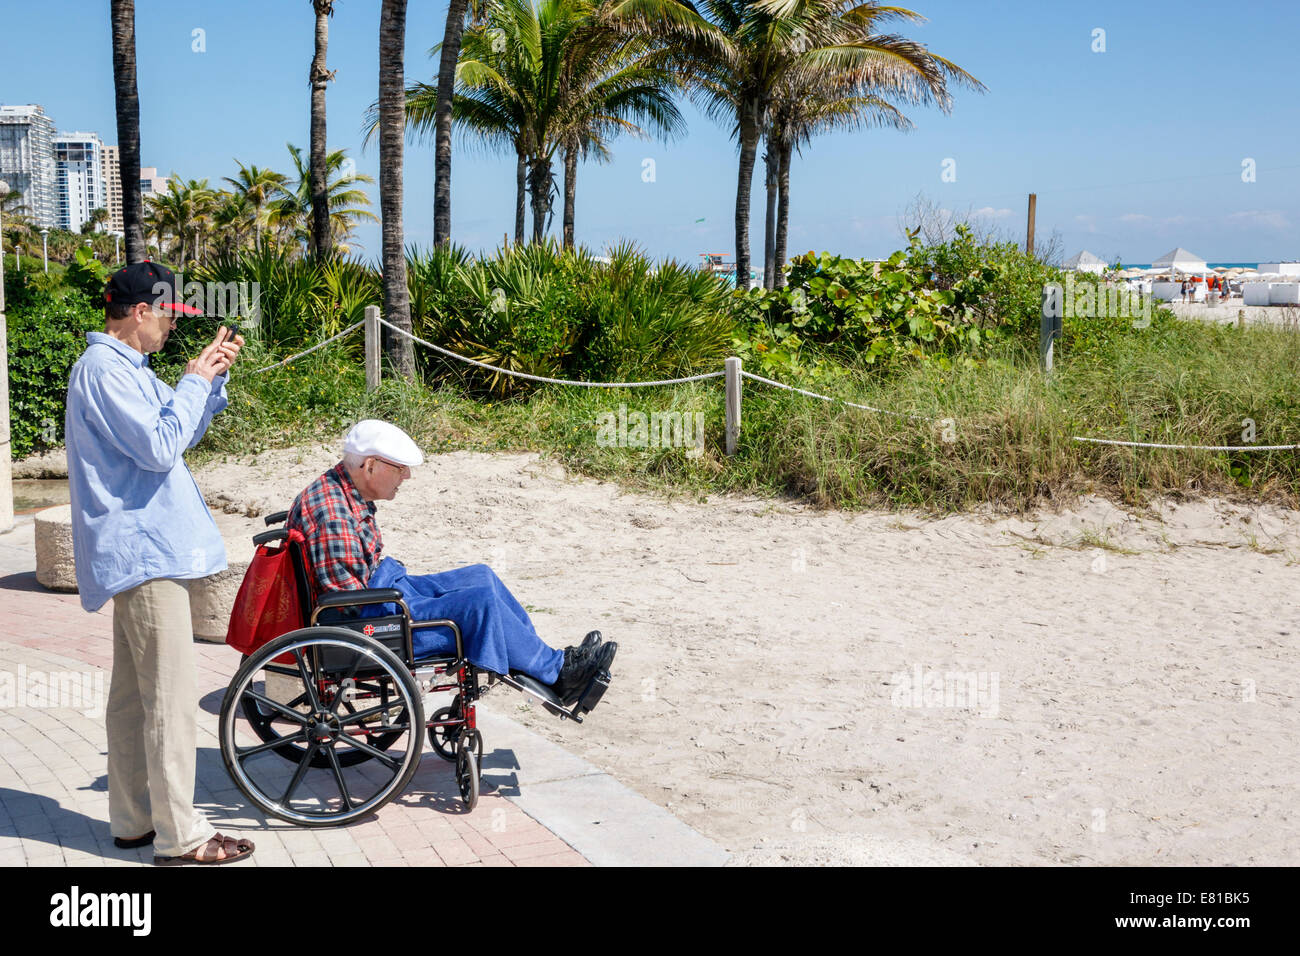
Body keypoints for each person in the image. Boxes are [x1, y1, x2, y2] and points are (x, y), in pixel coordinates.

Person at [64, 261, 254, 866]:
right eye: (169, 313)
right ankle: (183, 838)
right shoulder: (103, 370)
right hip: (145, 554)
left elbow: (177, 432)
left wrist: (208, 381)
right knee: (169, 701)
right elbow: (158, 447)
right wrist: (193, 381)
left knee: (133, 701)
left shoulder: (125, 370)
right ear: (140, 311)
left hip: (143, 553)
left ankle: (133, 822)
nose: (173, 325)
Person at [285, 420, 616, 705]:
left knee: (481, 576)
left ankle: (550, 660)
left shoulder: (339, 489)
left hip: (378, 591)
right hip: (369, 621)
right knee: (477, 603)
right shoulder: (333, 514)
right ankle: (558, 673)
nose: (408, 477)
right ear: (370, 465)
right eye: (399, 468)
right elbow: (348, 603)